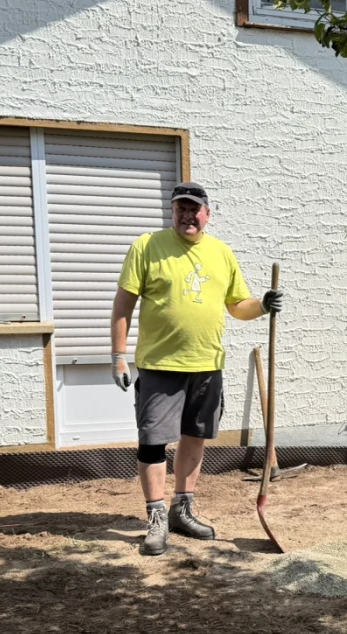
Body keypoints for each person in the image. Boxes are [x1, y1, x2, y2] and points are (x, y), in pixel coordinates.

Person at [110, 182, 283, 555]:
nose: (187, 215)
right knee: (154, 440)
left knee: (195, 436)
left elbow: (238, 305)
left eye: (194, 209)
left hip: (207, 363)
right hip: (160, 364)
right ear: (173, 212)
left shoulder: (221, 253)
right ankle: (155, 518)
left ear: (207, 213)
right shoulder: (147, 247)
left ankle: (182, 509)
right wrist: (118, 356)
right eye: (180, 209)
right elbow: (122, 306)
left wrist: (264, 305)